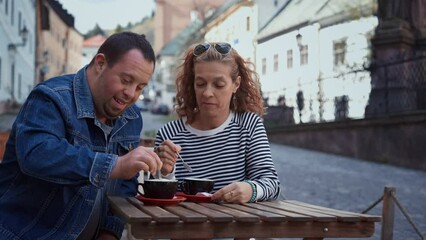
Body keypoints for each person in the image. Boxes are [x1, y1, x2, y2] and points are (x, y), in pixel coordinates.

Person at [0, 32, 168, 240]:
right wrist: (114, 165)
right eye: (126, 80)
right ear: (100, 63)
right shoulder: (51, 97)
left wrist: (110, 233)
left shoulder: (131, 117)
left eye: (140, 87)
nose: (131, 93)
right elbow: (36, 155)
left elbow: (124, 187)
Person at [154, 42, 281, 203]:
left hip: (235, 226)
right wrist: (166, 172)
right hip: (184, 227)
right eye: (200, 84)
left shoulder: (249, 126)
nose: (207, 93)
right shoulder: (169, 134)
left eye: (218, 85)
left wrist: (250, 189)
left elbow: (271, 184)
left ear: (236, 84)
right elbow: (158, 203)